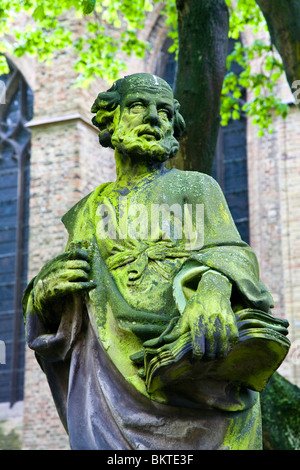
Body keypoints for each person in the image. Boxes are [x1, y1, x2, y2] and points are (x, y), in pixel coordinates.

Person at [22, 73, 290, 450]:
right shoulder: (88, 212)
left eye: (164, 112)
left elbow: (231, 253)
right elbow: (74, 302)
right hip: (109, 388)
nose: (153, 118)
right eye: (138, 106)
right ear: (111, 118)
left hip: (195, 373)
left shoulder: (195, 187)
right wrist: (42, 296)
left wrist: (212, 292)